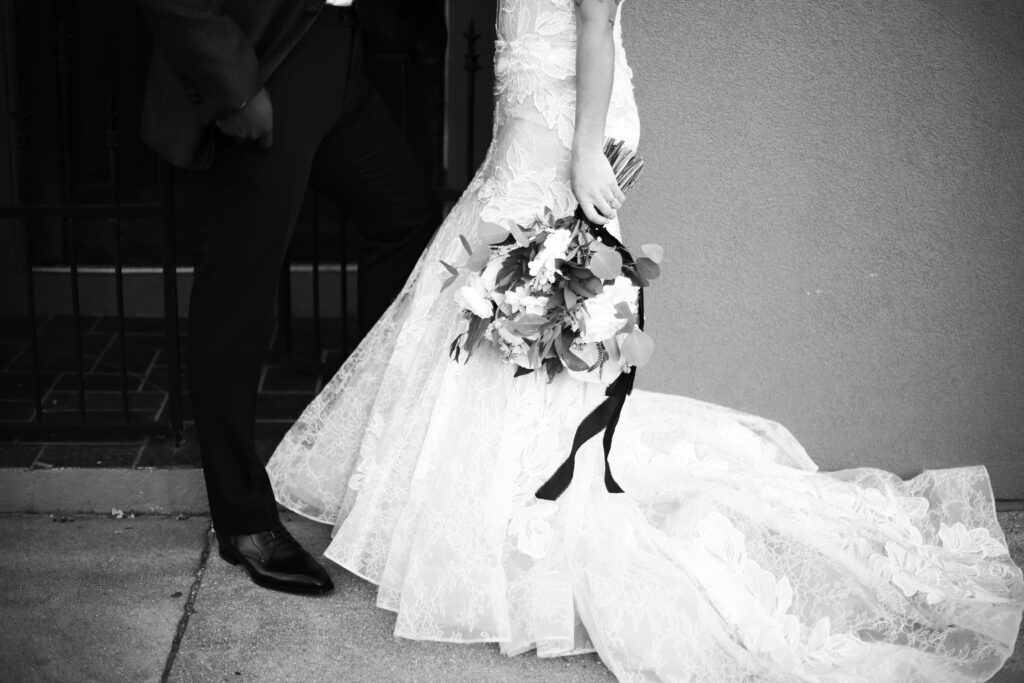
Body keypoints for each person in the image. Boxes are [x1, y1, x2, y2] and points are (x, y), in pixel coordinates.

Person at [267, 0, 1024, 679]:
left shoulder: (578, 127)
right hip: (534, 103)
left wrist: (585, 151)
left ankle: (535, 525)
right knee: (490, 280)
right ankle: (499, 513)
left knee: (508, 280)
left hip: (569, 118)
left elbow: (596, 19)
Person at [137, 0, 444, 595]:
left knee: (405, 214)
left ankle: (363, 432)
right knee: (238, 293)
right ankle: (243, 520)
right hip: (265, 62)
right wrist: (232, 88)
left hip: (338, 47)